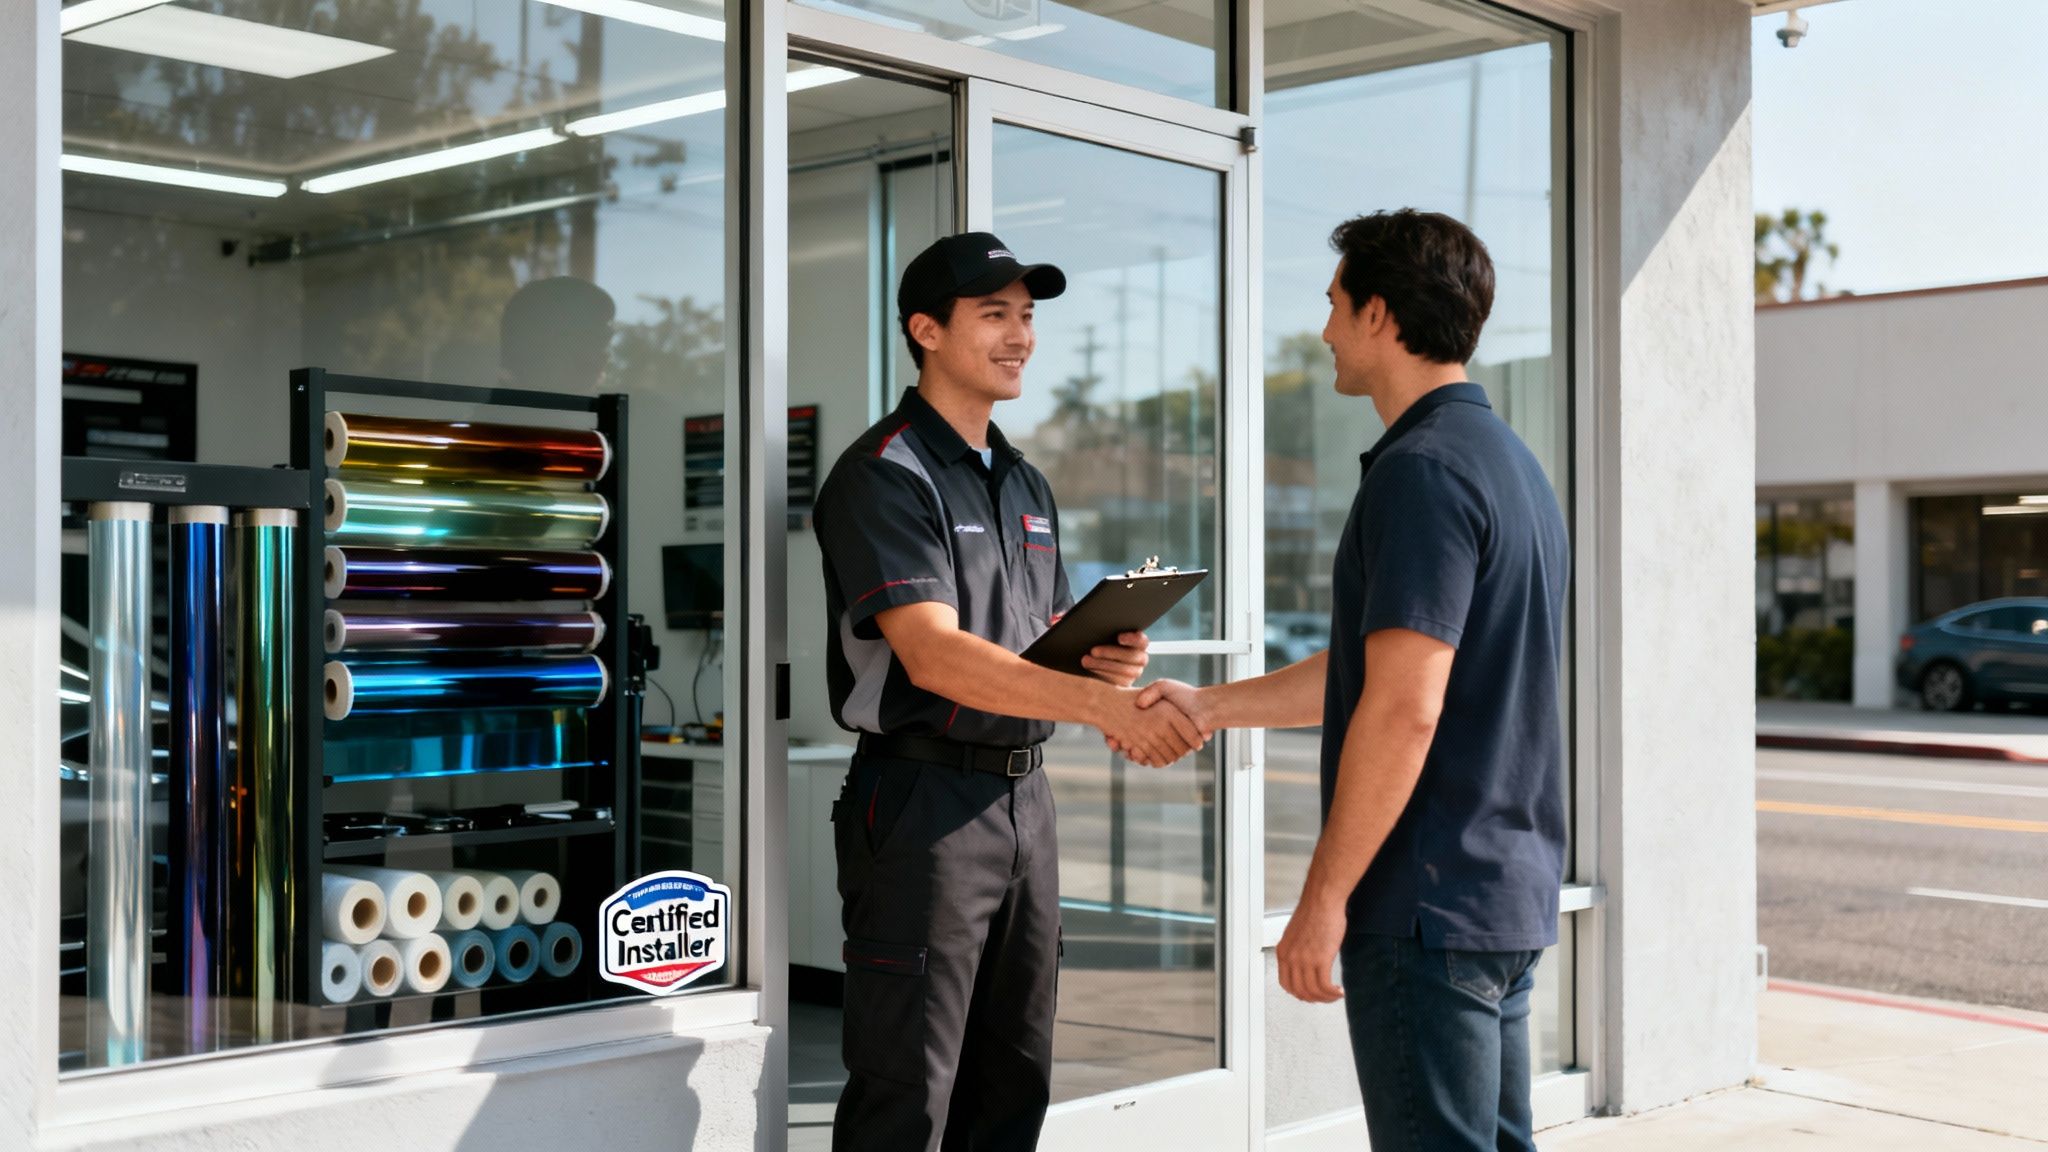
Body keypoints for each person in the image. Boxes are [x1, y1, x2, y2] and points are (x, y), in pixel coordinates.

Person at [1137, 209, 1570, 1152]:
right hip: (1501, 897)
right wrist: (1210, 706)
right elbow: (1382, 668)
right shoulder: (1511, 465)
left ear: (1379, 313)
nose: (1325, 328)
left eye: (1335, 304)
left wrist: (1324, 897)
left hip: (1424, 905)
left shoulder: (1423, 472)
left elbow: (1405, 707)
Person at [812, 231, 1206, 1152]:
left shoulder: (1024, 480)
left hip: (1026, 801)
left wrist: (1103, 662)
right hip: (922, 804)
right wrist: (1103, 710)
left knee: (1014, 1078)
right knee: (908, 1090)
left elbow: (1040, 644)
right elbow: (933, 656)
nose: (1021, 336)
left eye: (1027, 316)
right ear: (926, 330)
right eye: (994, 314)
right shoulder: (883, 473)